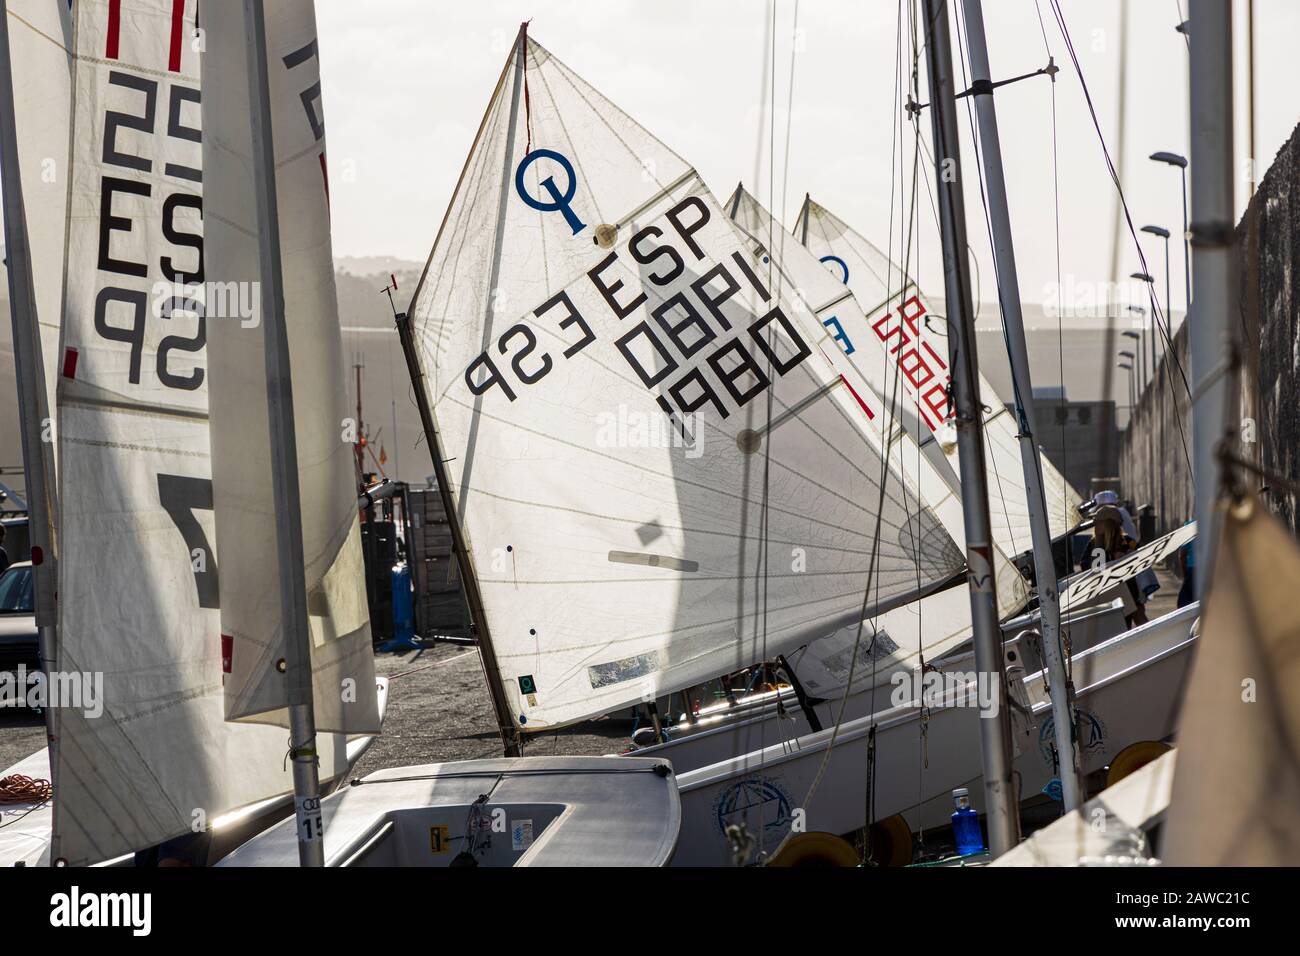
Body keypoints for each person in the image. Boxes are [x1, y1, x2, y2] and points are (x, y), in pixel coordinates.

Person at [1082, 505, 1148, 628]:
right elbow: (1093, 569)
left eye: (1097, 522)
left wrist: (1127, 557)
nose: (1094, 525)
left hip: (1128, 592)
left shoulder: (1127, 542)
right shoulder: (1094, 544)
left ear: (1108, 524)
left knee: (1127, 626)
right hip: (1104, 595)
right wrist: (1100, 545)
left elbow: (1141, 562)